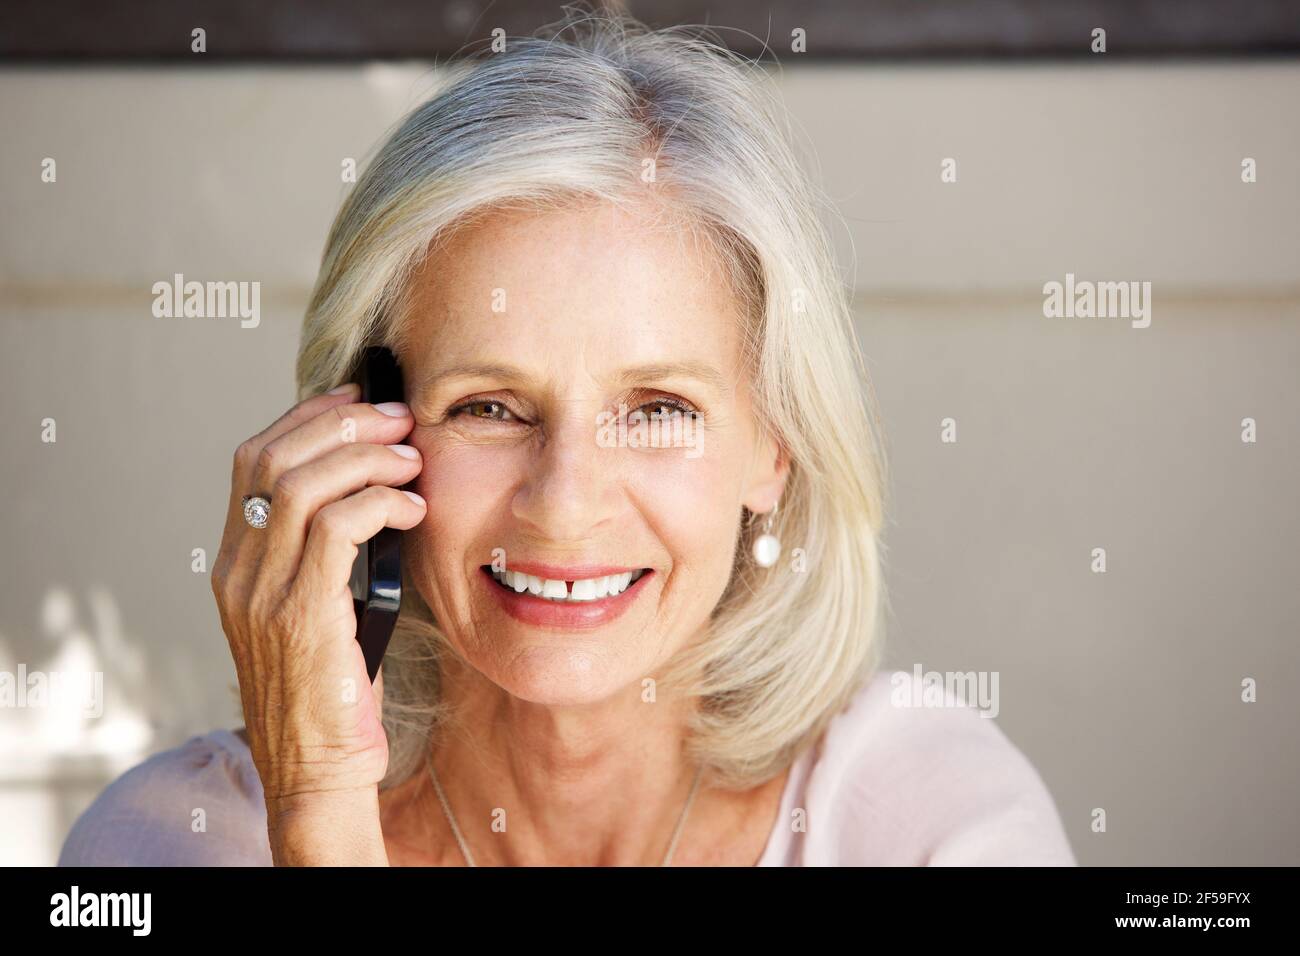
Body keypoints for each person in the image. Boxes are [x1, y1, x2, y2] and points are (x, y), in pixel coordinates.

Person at [60, 9, 1074, 867]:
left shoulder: (925, 817)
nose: (565, 498)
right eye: (489, 406)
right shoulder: (171, 841)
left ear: (773, 443)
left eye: (658, 408)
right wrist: (320, 803)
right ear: (358, 430)